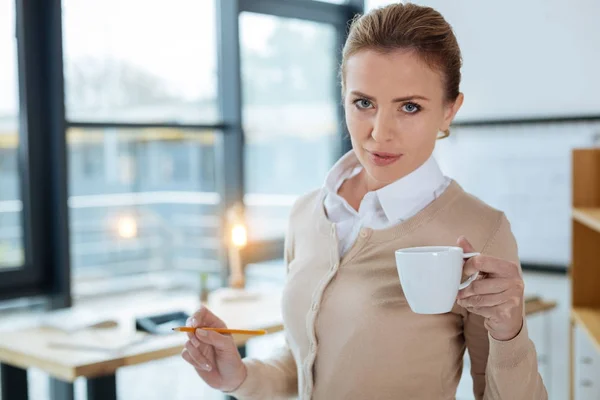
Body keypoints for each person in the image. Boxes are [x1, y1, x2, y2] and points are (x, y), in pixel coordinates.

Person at [181, 3, 548, 399]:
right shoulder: (307, 213)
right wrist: (238, 375)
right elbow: (302, 365)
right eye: (364, 103)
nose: (380, 132)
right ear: (343, 98)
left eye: (410, 107)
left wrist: (510, 331)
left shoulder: (481, 230)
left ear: (449, 111)